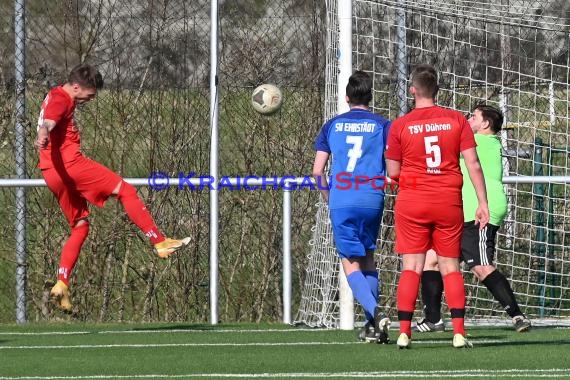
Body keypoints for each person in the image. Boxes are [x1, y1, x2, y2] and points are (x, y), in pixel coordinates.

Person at [35, 63, 190, 313]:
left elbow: (51, 120)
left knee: (80, 226)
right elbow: (49, 121)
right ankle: (160, 242)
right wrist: (43, 133)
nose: (92, 98)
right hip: (70, 165)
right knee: (126, 190)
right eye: (90, 93)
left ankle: (62, 283)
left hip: (51, 172)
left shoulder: (58, 95)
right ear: (76, 86)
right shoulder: (61, 98)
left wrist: (44, 135)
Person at [385, 64, 490, 349]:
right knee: (450, 266)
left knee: (412, 266)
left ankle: (405, 332)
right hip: (448, 201)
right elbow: (473, 164)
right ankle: (458, 333)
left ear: (413, 90)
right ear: (438, 90)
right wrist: (482, 202)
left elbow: (393, 172)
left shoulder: (400, 125)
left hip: (412, 201)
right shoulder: (456, 120)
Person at [416, 104, 532, 333]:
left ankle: (518, 315)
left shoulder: (483, 142)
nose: (468, 119)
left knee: (480, 267)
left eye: (473, 117)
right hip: (461, 212)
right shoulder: (476, 140)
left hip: (477, 212)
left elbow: (441, 147)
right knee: (432, 260)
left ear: (485, 124)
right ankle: (433, 318)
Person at [312, 70, 391, 343]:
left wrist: (328, 196)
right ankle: (373, 327)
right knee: (368, 257)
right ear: (370, 97)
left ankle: (376, 313)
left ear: (346, 97)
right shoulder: (383, 125)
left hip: (342, 198)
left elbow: (317, 171)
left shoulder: (331, 126)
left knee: (350, 262)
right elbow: (393, 166)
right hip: (372, 197)